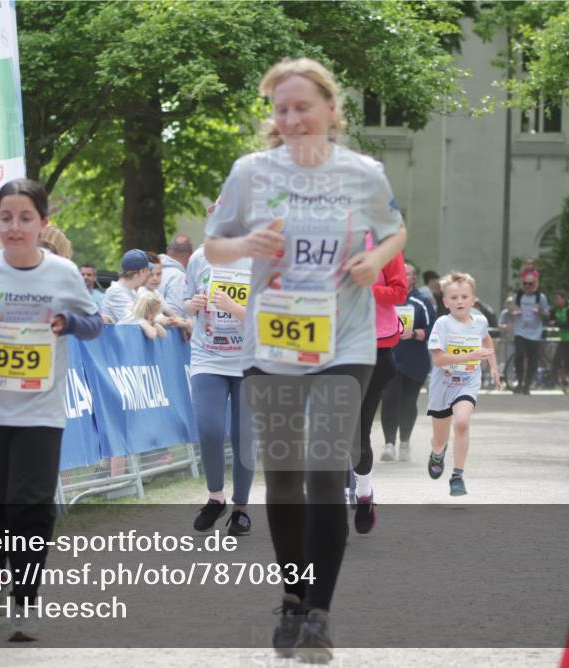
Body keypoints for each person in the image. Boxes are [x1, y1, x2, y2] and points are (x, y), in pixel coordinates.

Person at [202, 57, 407, 663]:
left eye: (302, 107)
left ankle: (319, 612)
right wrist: (244, 244)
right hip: (273, 341)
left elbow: (396, 229)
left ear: (329, 110)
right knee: (285, 475)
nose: (291, 118)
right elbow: (215, 245)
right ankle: (292, 599)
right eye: (281, 109)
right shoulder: (251, 173)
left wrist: (375, 260)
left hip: (345, 340)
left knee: (324, 473)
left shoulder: (362, 173)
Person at [0, 178, 103, 642]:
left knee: (30, 505)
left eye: (25, 218)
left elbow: (94, 323)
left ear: (43, 224)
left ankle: (26, 600)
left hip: (41, 410)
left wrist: (69, 322)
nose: (15, 227)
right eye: (6, 218)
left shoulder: (63, 273)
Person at [183, 244, 255, 535]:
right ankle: (216, 498)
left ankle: (241, 510)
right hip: (208, 357)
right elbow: (184, 303)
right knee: (210, 429)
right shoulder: (200, 257)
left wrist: (234, 308)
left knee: (245, 437)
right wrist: (194, 304)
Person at [426, 272, 500, 496]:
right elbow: (438, 359)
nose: (460, 301)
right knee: (439, 438)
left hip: (467, 381)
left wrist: (494, 366)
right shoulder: (443, 324)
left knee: (461, 423)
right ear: (445, 301)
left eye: (464, 296)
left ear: (473, 299)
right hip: (443, 383)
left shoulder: (480, 322)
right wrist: (469, 355)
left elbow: (486, 338)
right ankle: (438, 453)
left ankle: (457, 476)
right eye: (454, 297)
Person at [352, 240, 406, 534]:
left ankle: (363, 495)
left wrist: (363, 288)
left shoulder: (386, 246)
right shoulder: (324, 240)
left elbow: (399, 292)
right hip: (331, 347)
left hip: (375, 351)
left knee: (357, 436)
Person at [380, 261, 435, 463]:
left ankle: (404, 442)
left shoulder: (422, 301)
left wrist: (414, 333)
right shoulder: (387, 297)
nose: (404, 276)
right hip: (390, 357)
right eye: (401, 272)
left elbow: (432, 330)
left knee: (408, 402)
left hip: (414, 360)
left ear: (414, 278)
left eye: (409, 273)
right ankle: (388, 444)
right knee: (389, 399)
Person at [506, 271, 550, 394]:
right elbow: (510, 311)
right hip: (520, 331)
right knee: (519, 355)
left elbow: (547, 315)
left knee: (533, 359)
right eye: (525, 284)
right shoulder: (517, 296)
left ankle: (527, 385)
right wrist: (512, 311)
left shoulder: (541, 297)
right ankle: (519, 382)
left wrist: (540, 311)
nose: (527, 286)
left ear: (535, 284)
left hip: (535, 333)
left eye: (530, 284)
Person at [101, 249, 151, 323]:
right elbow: (133, 321)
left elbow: (144, 317)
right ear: (141, 271)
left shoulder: (132, 292)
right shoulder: (115, 291)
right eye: (148, 270)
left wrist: (161, 320)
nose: (149, 273)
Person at [549, 290, 569, 393]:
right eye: (555, 299)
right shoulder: (556, 309)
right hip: (564, 340)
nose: (556, 301)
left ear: (564, 299)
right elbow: (549, 317)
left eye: (558, 299)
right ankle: (563, 382)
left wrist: (556, 323)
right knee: (556, 361)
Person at [159, 233, 192, 316]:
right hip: (168, 327)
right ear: (191, 255)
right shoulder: (178, 277)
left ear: (167, 249)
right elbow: (176, 313)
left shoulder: (149, 271)